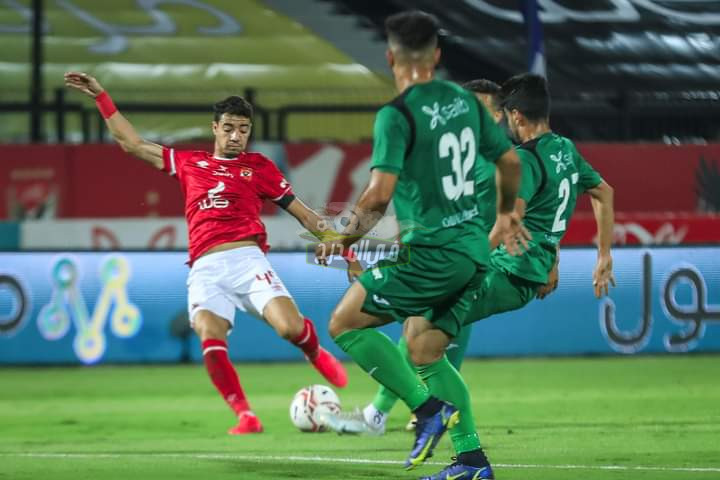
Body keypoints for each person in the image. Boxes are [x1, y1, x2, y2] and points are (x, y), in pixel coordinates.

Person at [64, 72, 349, 435]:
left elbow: (303, 212)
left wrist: (337, 243)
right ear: (215, 127)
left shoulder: (258, 167)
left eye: (243, 129)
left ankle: (313, 352)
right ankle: (246, 415)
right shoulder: (188, 163)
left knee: (289, 327)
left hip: (247, 260)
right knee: (209, 336)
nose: (235, 136)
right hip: (205, 268)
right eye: (229, 127)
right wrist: (101, 97)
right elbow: (132, 143)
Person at [314, 11, 528, 474]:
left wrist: (340, 235)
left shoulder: (397, 115)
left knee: (345, 322)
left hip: (433, 253)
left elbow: (379, 194)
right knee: (424, 348)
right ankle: (471, 459)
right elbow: (510, 162)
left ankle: (427, 411)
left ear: (390, 57)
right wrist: (509, 212)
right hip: (474, 251)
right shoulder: (466, 101)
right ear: (437, 55)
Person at [402, 73, 615, 480]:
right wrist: (600, 255)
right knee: (421, 336)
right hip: (528, 270)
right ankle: (445, 434)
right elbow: (603, 192)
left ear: (515, 115)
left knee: (420, 340)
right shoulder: (565, 150)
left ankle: (467, 457)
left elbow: (509, 220)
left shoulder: (527, 160)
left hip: (507, 270)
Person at [352, 78, 562, 437]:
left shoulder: (506, 164)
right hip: (455, 257)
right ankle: (415, 416)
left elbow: (536, 210)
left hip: (474, 260)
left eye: (477, 107)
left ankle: (405, 412)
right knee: (426, 334)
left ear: (498, 115)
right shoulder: (449, 159)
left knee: (423, 332)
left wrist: (550, 257)